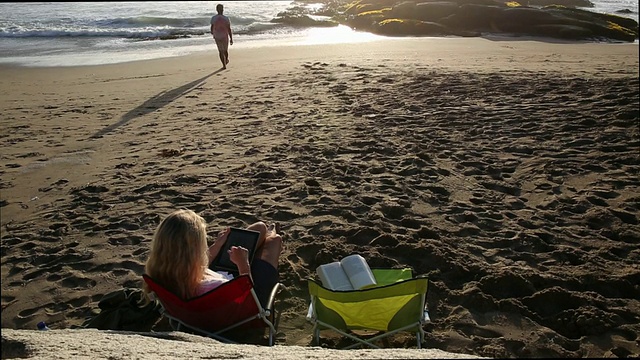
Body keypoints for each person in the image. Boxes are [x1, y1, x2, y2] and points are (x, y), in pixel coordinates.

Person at [142, 209, 283, 307]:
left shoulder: (161, 275)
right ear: (194, 250)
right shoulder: (214, 288)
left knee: (259, 228)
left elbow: (192, 265)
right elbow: (249, 301)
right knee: (274, 241)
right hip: (241, 291)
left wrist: (217, 245)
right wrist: (243, 264)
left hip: (215, 282)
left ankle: (268, 232)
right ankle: (271, 234)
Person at [210, 3, 233, 69]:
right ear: (223, 9)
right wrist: (231, 38)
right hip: (224, 36)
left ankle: (224, 64)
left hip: (217, 36)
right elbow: (229, 28)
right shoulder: (226, 18)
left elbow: (212, 27)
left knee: (220, 51)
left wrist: (212, 33)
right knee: (225, 50)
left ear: (216, 10)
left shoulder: (214, 18)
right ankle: (225, 61)